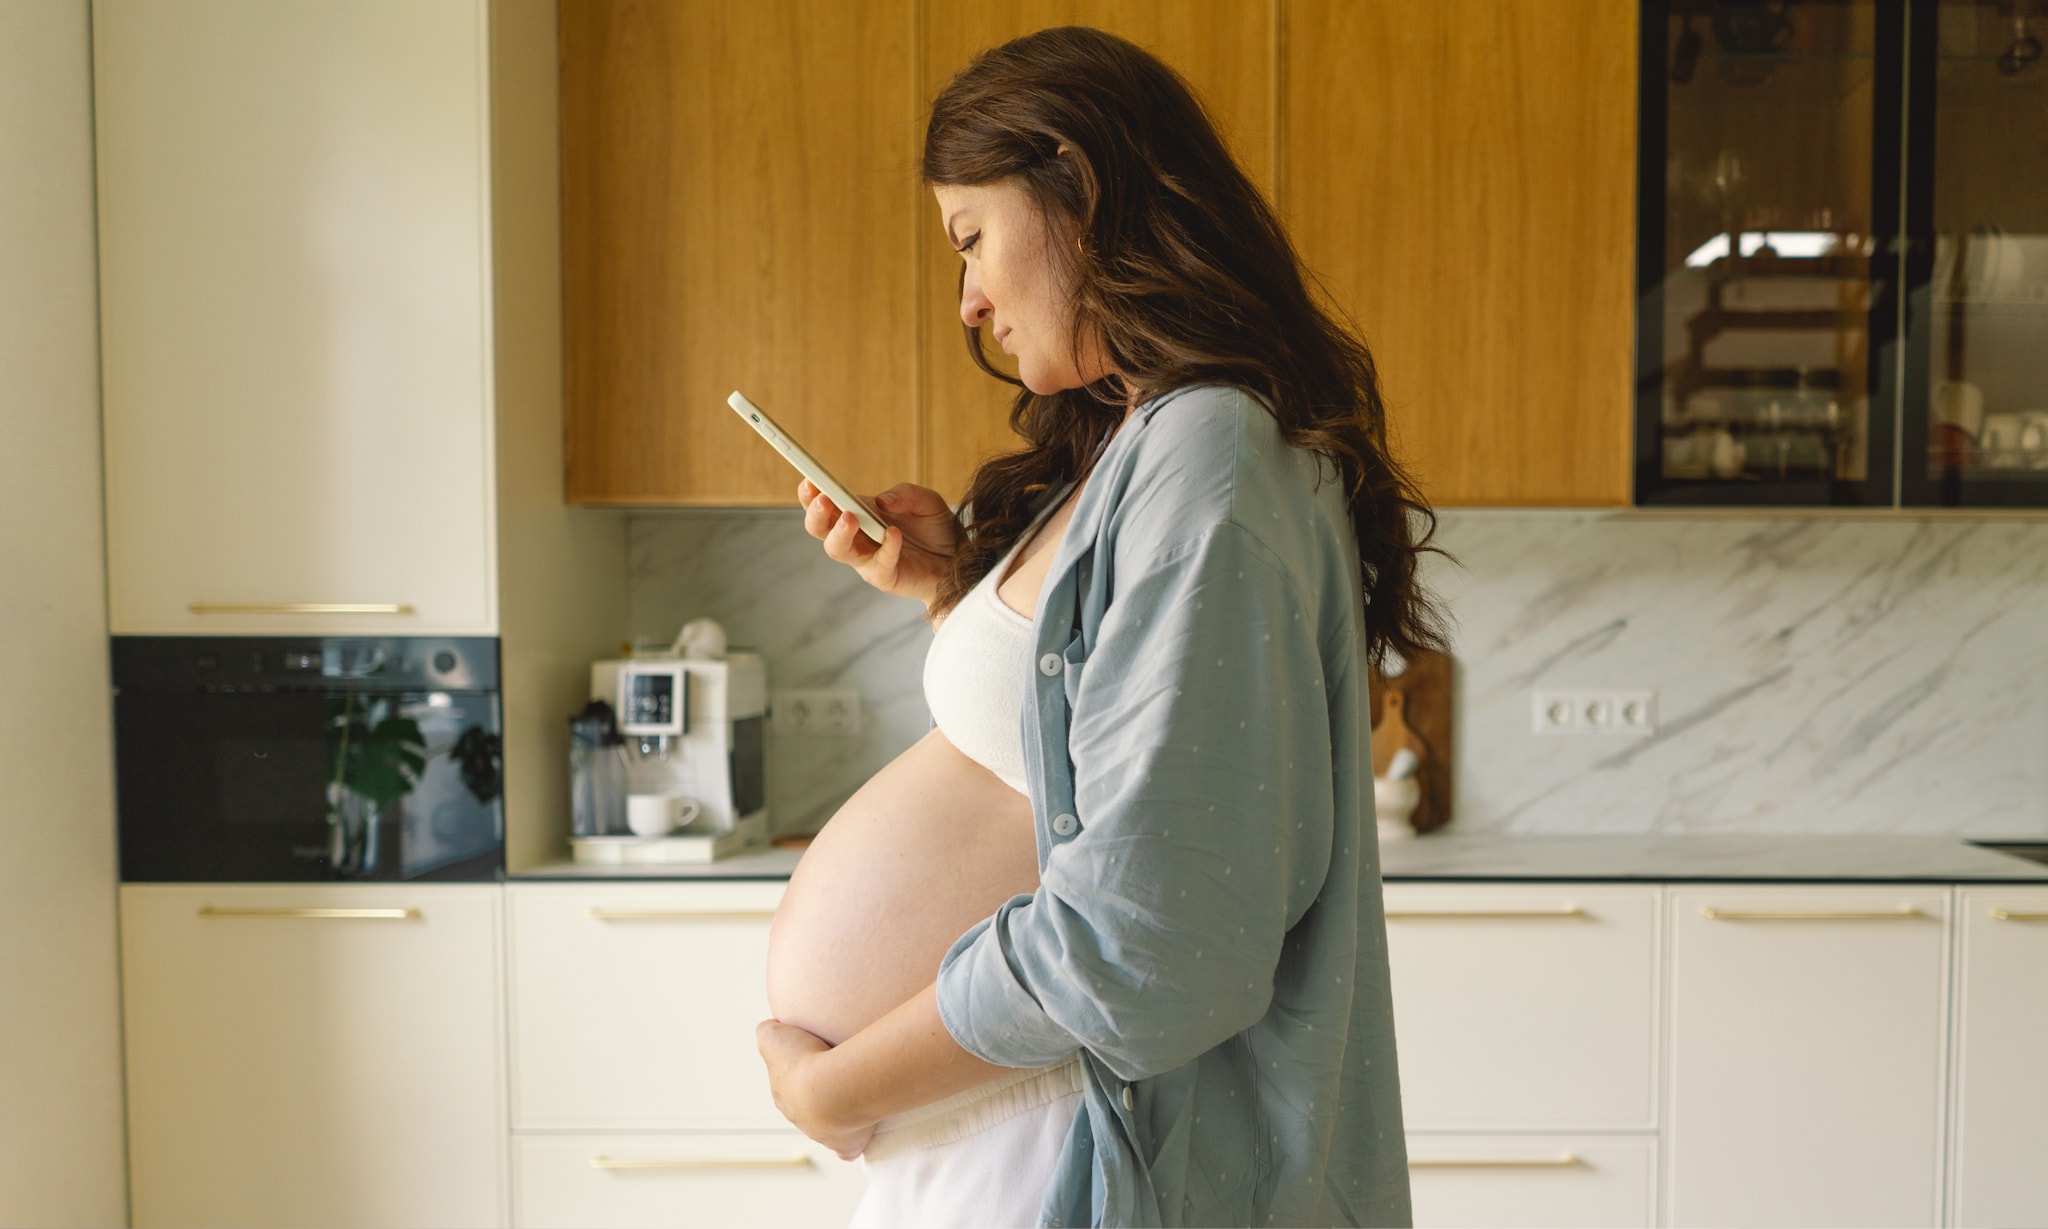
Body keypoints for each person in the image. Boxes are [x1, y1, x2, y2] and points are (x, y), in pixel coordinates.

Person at [756, 25, 1445, 1228]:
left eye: (971, 237)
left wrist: (829, 1084)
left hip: (1068, 1137)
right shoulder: (1142, 437)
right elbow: (1083, 748)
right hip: (1007, 1127)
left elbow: (1150, 939)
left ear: (1076, 184)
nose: (965, 300)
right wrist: (950, 591)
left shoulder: (1207, 450)